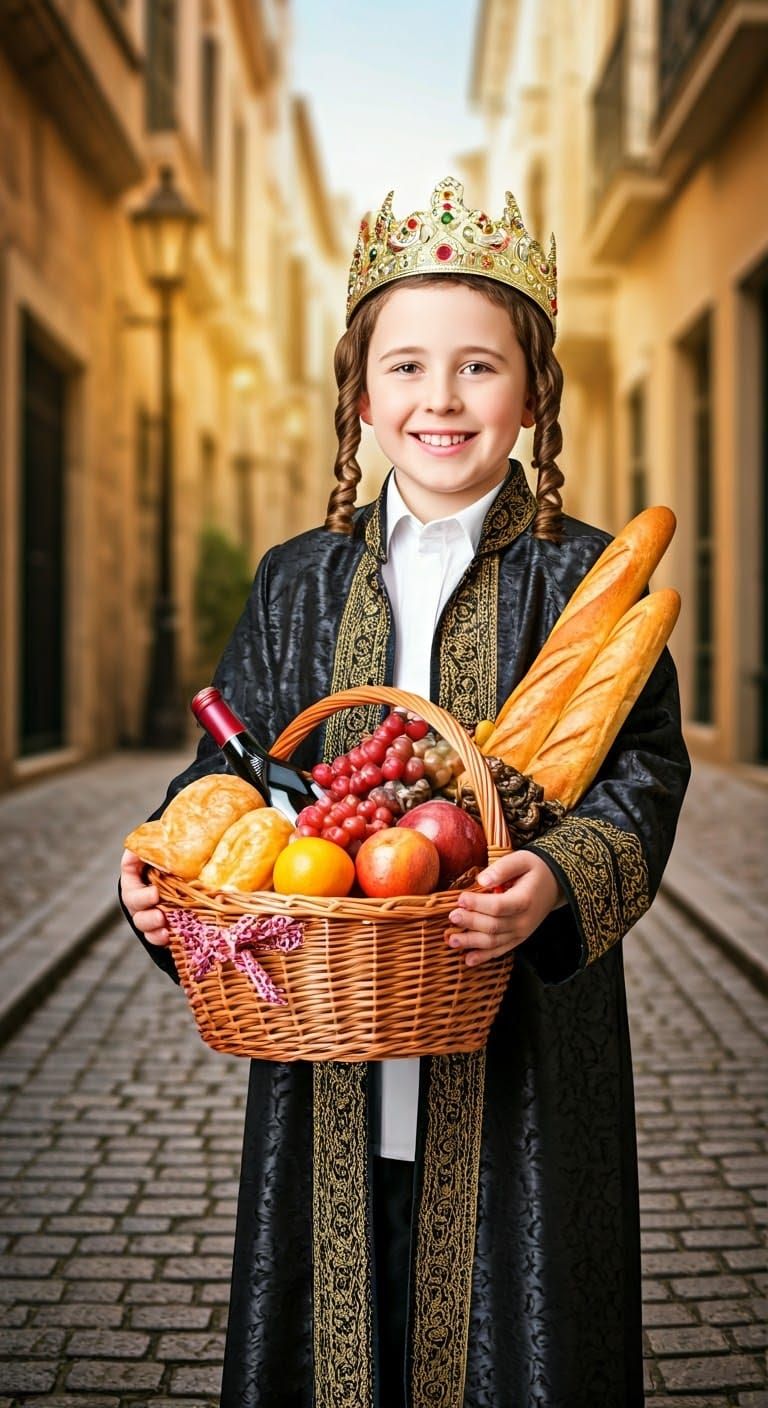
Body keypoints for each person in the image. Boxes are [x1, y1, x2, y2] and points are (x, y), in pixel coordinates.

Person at [120, 177, 690, 1408]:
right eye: (409, 367)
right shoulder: (296, 581)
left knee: (507, 1316)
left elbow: (643, 770)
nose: (441, 400)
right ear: (361, 396)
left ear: (532, 393)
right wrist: (165, 869)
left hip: (522, 1040)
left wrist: (555, 880)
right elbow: (232, 767)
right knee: (334, 1317)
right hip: (321, 1034)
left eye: (479, 368)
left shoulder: (584, 578)